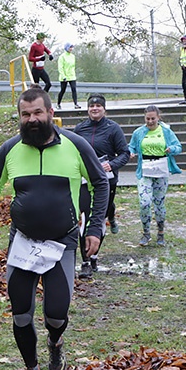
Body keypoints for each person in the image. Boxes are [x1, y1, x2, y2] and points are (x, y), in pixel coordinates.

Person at [0, 87, 109, 370]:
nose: (32, 119)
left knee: (56, 312)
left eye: (38, 112)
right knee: (21, 312)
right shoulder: (10, 148)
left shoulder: (75, 145)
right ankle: (30, 368)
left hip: (61, 241)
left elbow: (99, 183)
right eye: (25, 115)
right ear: (19, 117)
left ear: (51, 113)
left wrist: (94, 229)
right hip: (22, 241)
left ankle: (55, 342)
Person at [71, 93, 129, 277]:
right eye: (91, 106)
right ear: (87, 108)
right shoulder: (80, 129)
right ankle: (86, 261)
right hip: (84, 181)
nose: (94, 108)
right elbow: (70, 151)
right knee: (85, 218)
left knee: (99, 217)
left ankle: (94, 255)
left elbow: (124, 153)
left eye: (98, 106)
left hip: (106, 180)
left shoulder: (113, 129)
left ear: (104, 109)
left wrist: (111, 164)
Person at [128, 105, 182, 246]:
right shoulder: (139, 132)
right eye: (148, 119)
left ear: (158, 117)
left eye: (153, 118)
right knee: (144, 202)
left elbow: (178, 146)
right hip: (145, 170)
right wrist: (131, 152)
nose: (150, 121)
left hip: (161, 169)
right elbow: (131, 146)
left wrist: (171, 149)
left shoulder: (166, 131)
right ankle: (146, 233)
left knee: (159, 203)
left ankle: (160, 233)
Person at [56, 43, 79, 109]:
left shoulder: (73, 56)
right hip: (64, 76)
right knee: (63, 90)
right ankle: (58, 103)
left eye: (72, 47)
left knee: (74, 89)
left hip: (72, 76)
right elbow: (60, 67)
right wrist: (63, 76)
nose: (71, 49)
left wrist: (74, 75)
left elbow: (73, 67)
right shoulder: (62, 57)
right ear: (66, 48)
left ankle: (75, 104)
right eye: (70, 47)